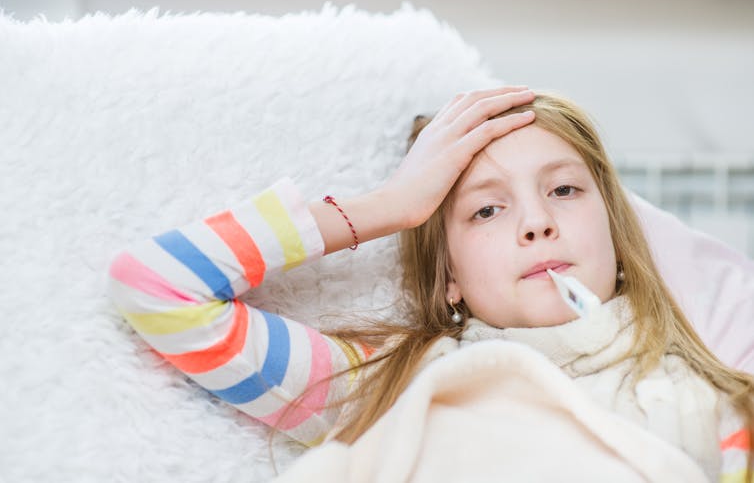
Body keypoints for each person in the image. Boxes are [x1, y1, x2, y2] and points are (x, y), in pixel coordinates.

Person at [107, 86, 753, 481]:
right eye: (486, 210)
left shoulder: (714, 403)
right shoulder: (383, 383)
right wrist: (392, 205)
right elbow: (157, 290)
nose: (536, 223)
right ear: (449, 280)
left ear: (619, 237)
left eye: (563, 189)